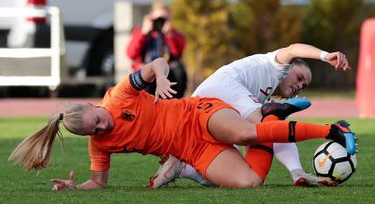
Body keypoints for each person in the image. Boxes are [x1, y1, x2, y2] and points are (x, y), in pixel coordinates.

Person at [8, 58, 356, 190]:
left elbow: (157, 62)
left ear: (92, 104)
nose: (103, 127)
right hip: (191, 149)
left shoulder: (118, 97)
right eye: (94, 131)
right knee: (250, 182)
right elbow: (99, 183)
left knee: (245, 132)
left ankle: (331, 129)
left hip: (198, 113)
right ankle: (270, 116)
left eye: (97, 119)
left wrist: (159, 78)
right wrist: (76, 189)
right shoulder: (100, 143)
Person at [148, 43, 352, 189]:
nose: (299, 85)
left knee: (235, 172)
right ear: (290, 67)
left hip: (201, 110)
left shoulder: (261, 97)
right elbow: (293, 49)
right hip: (222, 88)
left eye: (303, 86)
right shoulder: (275, 66)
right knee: (270, 125)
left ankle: (182, 168)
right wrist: (326, 56)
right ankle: (305, 162)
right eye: (299, 78)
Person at [126, 2, 187, 98]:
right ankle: (147, 102)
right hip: (147, 68)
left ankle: (176, 103)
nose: (160, 22)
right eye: (157, 19)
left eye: (164, 19)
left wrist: (169, 35)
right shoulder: (142, 32)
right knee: (147, 74)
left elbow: (178, 52)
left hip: (168, 70)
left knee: (179, 71)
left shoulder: (172, 34)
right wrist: (143, 33)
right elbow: (130, 54)